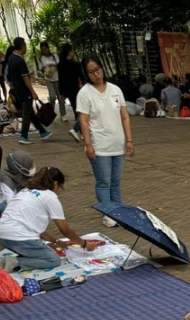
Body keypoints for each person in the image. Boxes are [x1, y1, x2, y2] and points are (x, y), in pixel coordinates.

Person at [0, 167, 100, 270]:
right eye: (60, 187)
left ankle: (22, 258)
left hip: (2, 235)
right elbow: (65, 230)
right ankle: (14, 262)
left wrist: (56, 241)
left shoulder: (25, 191)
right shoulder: (49, 196)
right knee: (53, 260)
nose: (60, 191)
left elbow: (38, 230)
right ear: (55, 184)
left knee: (37, 250)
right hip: (20, 238)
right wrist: (84, 244)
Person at [76, 54, 132, 222]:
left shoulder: (115, 90)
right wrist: (88, 144)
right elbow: (84, 121)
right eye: (91, 72)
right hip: (99, 145)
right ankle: (108, 214)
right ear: (86, 74)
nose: (96, 75)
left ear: (102, 69)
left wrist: (129, 140)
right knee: (103, 182)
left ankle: (119, 211)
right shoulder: (85, 93)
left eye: (98, 70)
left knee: (115, 181)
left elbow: (124, 117)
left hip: (118, 143)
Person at [5, 37, 52, 145]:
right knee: (27, 112)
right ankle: (24, 135)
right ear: (22, 46)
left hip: (17, 90)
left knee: (29, 111)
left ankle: (42, 131)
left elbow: (10, 76)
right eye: (25, 45)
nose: (26, 47)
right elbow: (25, 78)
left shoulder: (11, 58)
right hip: (24, 90)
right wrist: (33, 91)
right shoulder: (20, 60)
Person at [0, 148, 33, 226]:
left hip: (14, 210)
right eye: (29, 165)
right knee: (6, 207)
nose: (31, 167)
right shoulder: (6, 179)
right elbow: (11, 202)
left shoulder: (23, 176)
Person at [57, 43, 84, 141]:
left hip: (68, 90)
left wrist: (61, 93)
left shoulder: (60, 65)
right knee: (82, 111)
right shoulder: (75, 64)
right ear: (69, 52)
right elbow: (81, 77)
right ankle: (77, 129)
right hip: (77, 89)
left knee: (77, 110)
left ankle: (81, 132)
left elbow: (60, 79)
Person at [37, 42, 63, 120]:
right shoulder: (41, 58)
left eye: (45, 49)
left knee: (60, 97)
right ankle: (50, 113)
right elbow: (41, 68)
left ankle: (63, 114)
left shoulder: (55, 56)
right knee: (52, 97)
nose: (44, 51)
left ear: (48, 48)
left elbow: (59, 64)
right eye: (42, 50)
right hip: (49, 79)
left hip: (57, 78)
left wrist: (53, 65)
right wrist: (45, 69)